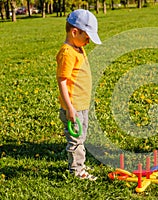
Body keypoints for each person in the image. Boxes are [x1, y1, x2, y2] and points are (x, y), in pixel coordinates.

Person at [56, 9, 101, 181]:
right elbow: (62, 81)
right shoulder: (67, 53)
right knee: (76, 140)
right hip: (74, 107)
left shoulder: (78, 47)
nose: (89, 40)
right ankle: (77, 171)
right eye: (87, 36)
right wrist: (69, 108)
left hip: (82, 106)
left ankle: (79, 164)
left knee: (81, 137)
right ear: (75, 32)